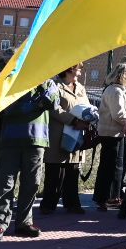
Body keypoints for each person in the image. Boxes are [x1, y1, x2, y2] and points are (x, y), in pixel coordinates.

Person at [0, 77, 61, 240]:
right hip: (10, 140)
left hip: (36, 141)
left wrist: (40, 92)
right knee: (5, 184)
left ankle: (24, 223)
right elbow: (9, 108)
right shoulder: (12, 79)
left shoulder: (49, 82)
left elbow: (54, 104)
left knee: (31, 184)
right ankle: (0, 224)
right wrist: (37, 104)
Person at [40, 65, 90, 214]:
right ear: (69, 70)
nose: (80, 71)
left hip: (76, 135)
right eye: (78, 68)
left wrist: (88, 118)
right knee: (55, 171)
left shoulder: (80, 87)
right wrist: (73, 121)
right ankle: (49, 204)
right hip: (58, 135)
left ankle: (72, 203)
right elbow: (54, 108)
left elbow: (86, 106)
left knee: (73, 169)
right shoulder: (55, 86)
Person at [95, 61, 126, 211]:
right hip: (111, 133)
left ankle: (112, 196)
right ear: (124, 76)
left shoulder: (121, 91)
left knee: (116, 166)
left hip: (118, 133)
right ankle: (106, 197)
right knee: (110, 166)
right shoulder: (115, 91)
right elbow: (118, 114)